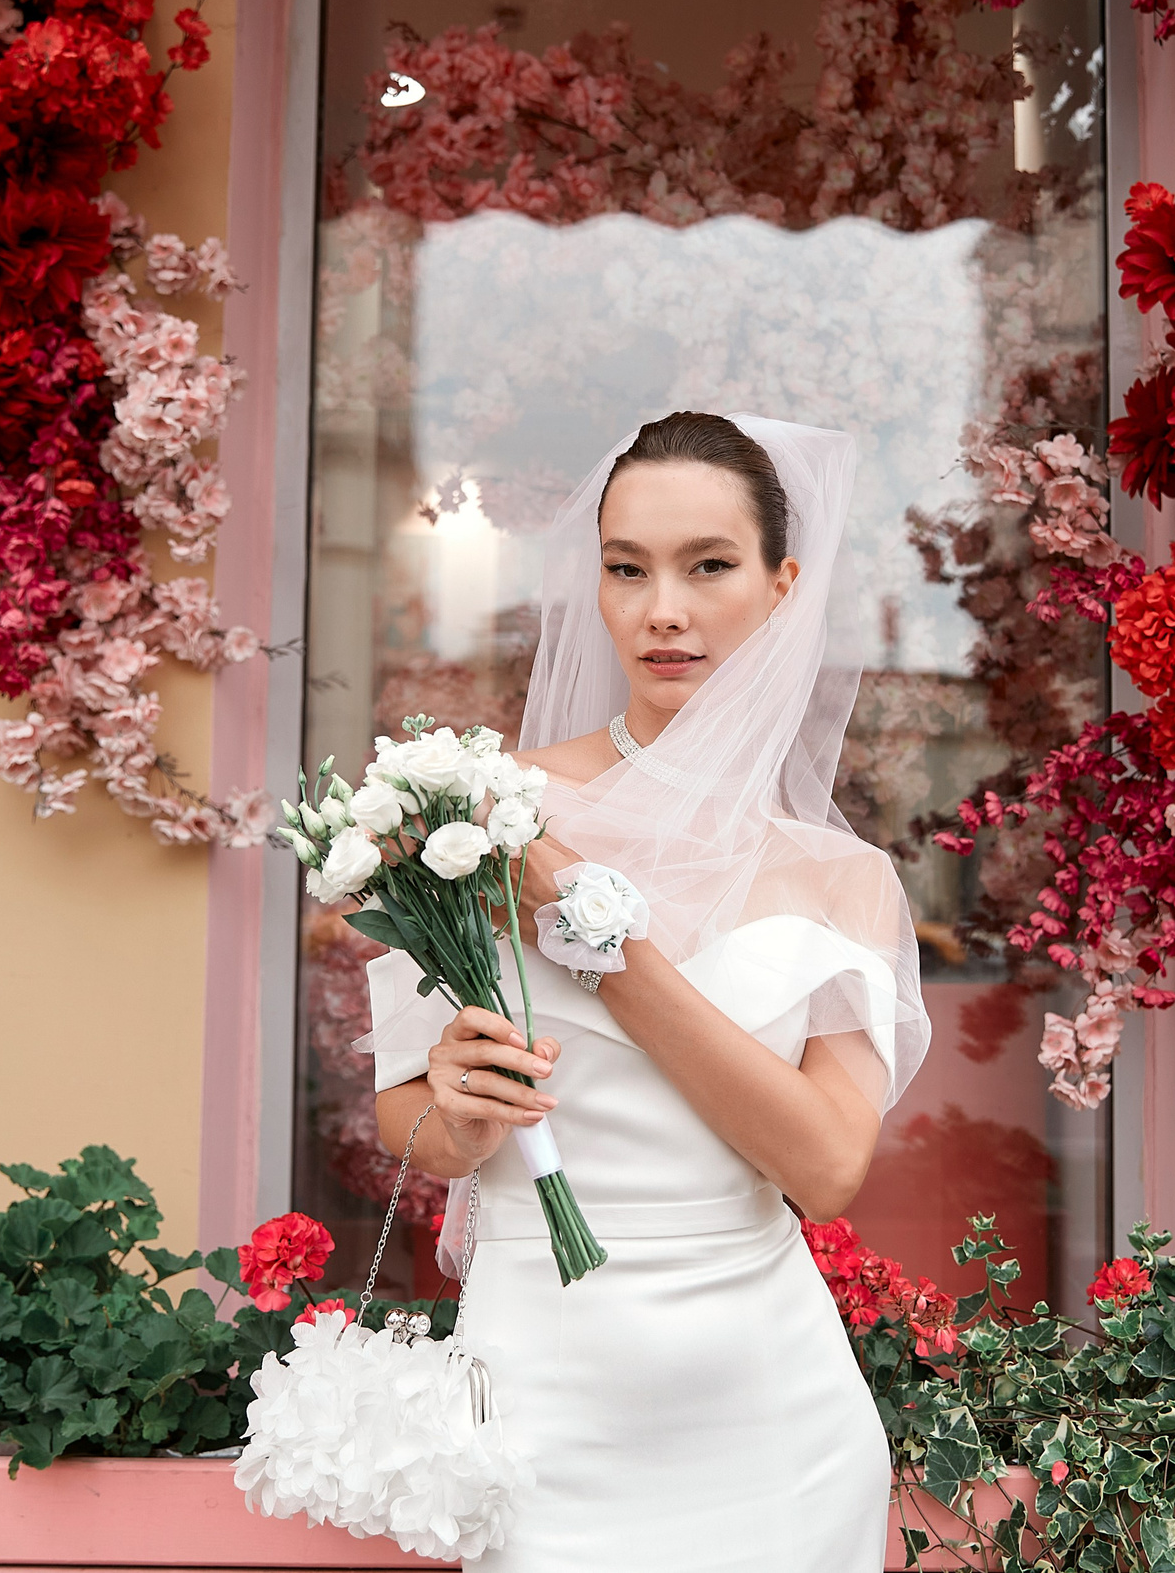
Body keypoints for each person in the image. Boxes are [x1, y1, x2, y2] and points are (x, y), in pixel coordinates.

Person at [363, 412, 930, 1571]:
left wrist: (590, 933)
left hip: (778, 1435)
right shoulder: (479, 813)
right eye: (627, 569)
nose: (661, 608)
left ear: (781, 587)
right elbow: (409, 1121)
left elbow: (824, 1171)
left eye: (706, 566)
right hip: (543, 1406)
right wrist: (459, 1114)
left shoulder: (844, 881)